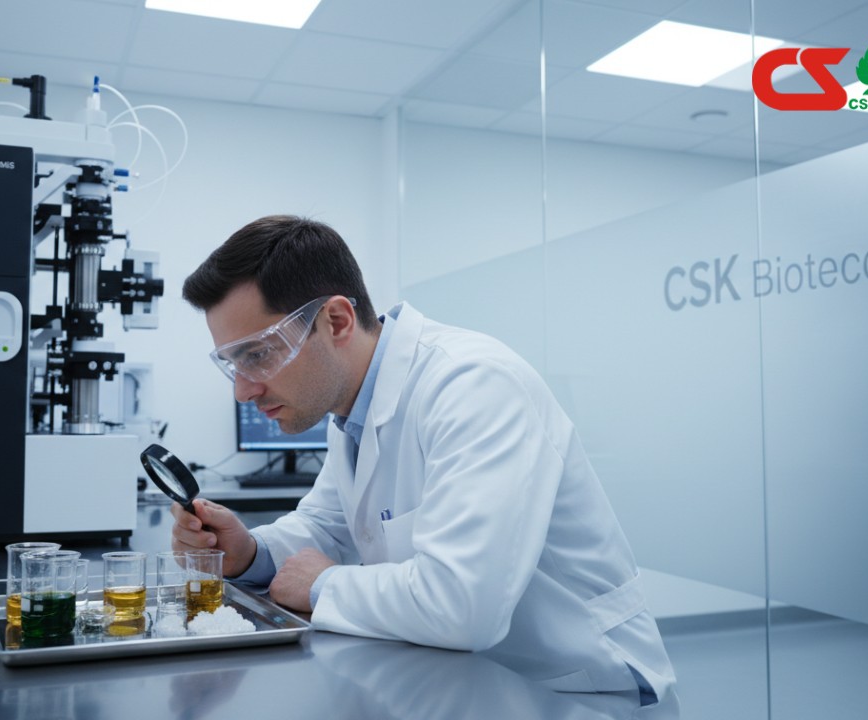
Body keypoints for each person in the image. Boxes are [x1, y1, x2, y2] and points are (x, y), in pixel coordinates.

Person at [172, 215, 675, 704]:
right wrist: (249, 553)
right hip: (465, 678)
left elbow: (462, 605)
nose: (243, 391)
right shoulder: (351, 409)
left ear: (337, 321)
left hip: (580, 687)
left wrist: (324, 584)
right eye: (232, 363)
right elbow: (326, 526)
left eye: (258, 354)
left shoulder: (474, 386)